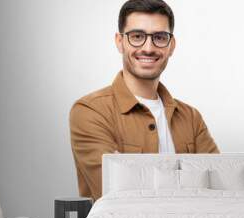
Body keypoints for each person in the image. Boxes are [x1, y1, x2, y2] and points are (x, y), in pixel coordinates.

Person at [69, 0, 220, 201]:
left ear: (171, 46)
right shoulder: (90, 111)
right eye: (137, 36)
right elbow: (115, 193)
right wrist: (190, 180)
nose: (148, 48)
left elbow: (220, 188)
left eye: (159, 37)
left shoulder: (191, 117)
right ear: (119, 41)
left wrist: (133, 175)